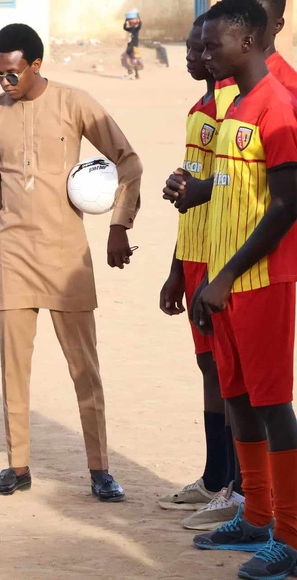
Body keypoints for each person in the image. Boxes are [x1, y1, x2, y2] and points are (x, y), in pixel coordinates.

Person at [0, 23, 141, 502]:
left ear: (35, 65)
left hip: (68, 254)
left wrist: (118, 225)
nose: (4, 84)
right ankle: (17, 466)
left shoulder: (76, 103)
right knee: (13, 368)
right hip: (11, 253)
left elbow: (128, 161)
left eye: (12, 75)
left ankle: (100, 469)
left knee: (84, 368)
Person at [162, 0, 297, 532]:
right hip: (220, 277)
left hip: (259, 281)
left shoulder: (276, 104)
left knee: (272, 405)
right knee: (236, 394)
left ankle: (287, 534)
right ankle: (255, 514)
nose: (201, 54)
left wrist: (223, 276)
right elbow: (232, 188)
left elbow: (286, 202)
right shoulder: (232, 107)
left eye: (210, 46)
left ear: (250, 40)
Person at [157, 12, 241, 532]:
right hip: (194, 257)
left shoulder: (236, 106)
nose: (193, 56)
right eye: (191, 48)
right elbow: (195, 195)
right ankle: (215, 477)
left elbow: (230, 188)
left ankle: (237, 485)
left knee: (232, 375)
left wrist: (213, 270)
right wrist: (175, 268)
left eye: (200, 48)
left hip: (220, 260)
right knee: (210, 369)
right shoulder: (200, 107)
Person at [121, 9, 144, 80]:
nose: (131, 24)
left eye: (132, 23)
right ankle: (130, 70)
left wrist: (138, 17)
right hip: (130, 46)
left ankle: (137, 74)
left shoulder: (136, 29)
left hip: (135, 47)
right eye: (130, 23)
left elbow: (140, 25)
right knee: (126, 58)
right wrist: (126, 20)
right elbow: (124, 27)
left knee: (134, 60)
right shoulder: (130, 29)